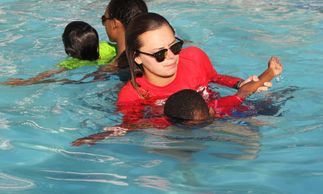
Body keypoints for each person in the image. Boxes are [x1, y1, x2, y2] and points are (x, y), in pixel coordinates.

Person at [71, 56, 283, 146]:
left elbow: (245, 91)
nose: (205, 124)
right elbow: (128, 126)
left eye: (206, 120)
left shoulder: (220, 108)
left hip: (229, 116)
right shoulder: (164, 121)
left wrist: (269, 73)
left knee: (266, 111)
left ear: (211, 110)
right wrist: (96, 137)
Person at [116, 12, 270, 111]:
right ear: (137, 57)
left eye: (175, 47)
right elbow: (137, 129)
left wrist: (239, 84)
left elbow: (215, 78)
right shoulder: (132, 97)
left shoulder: (194, 57)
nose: (171, 56)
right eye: (159, 54)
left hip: (226, 111)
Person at [1, 21, 116, 86]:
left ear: (69, 51)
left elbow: (47, 75)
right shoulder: (107, 47)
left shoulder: (71, 63)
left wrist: (25, 82)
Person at [87, 0, 148, 82]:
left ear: (114, 24)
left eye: (104, 19)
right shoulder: (150, 56)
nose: (104, 24)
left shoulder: (109, 69)